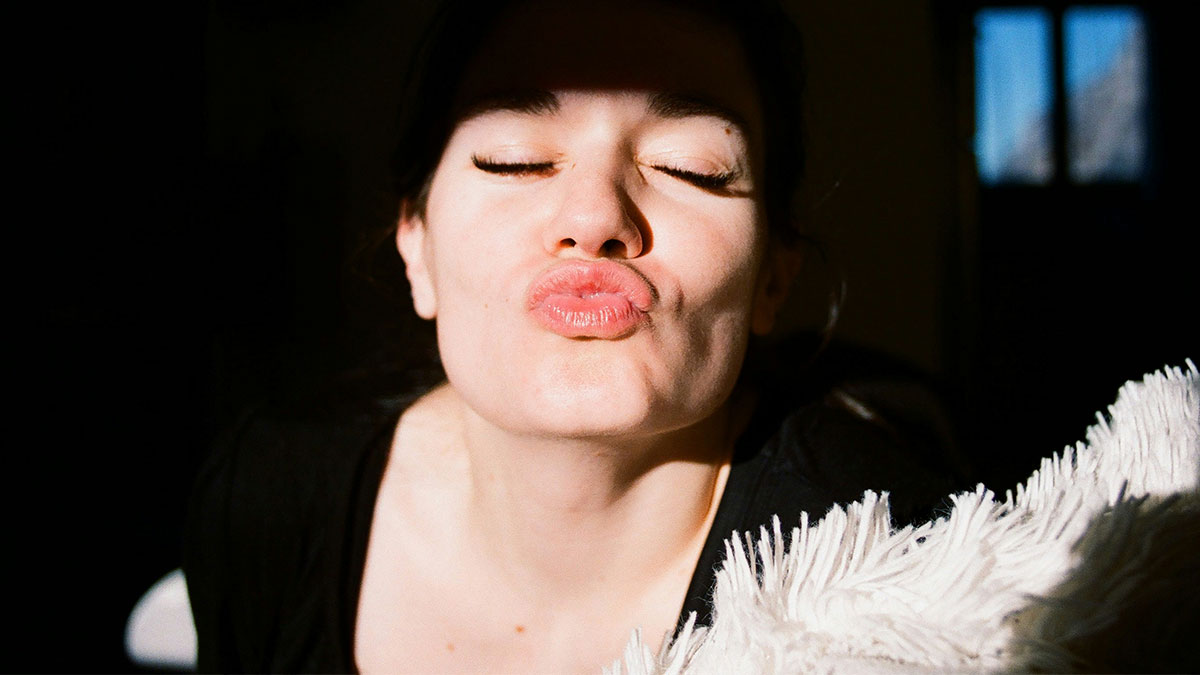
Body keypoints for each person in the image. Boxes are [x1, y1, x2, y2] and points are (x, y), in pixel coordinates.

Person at [185, 0, 966, 672]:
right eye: (516, 160)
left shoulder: (898, 569)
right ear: (415, 245)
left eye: (690, 167)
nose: (594, 218)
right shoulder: (267, 498)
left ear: (772, 278)